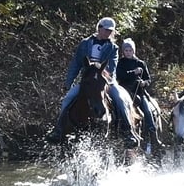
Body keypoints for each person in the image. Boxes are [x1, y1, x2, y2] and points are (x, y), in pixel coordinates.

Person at [46, 17, 138, 148]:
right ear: (99, 28)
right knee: (68, 98)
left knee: (120, 99)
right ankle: (58, 130)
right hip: (87, 79)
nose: (108, 33)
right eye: (106, 30)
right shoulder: (85, 43)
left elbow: (112, 66)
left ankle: (128, 132)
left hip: (105, 79)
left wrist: (100, 70)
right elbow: (76, 64)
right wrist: (69, 82)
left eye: (110, 31)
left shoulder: (113, 47)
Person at [116, 38, 163, 148]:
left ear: (134, 51)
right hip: (125, 91)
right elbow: (120, 75)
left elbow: (148, 79)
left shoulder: (141, 63)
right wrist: (133, 72)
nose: (128, 52)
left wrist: (144, 83)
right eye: (126, 50)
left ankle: (154, 137)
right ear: (123, 51)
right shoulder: (120, 63)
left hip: (139, 92)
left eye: (130, 50)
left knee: (147, 111)